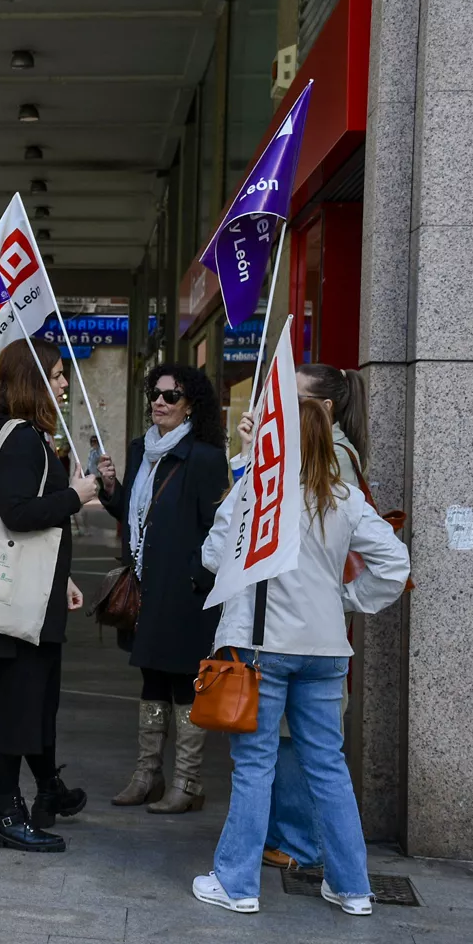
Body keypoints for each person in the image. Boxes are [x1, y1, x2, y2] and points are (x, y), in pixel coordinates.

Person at [192, 399, 410, 916]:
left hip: (262, 649)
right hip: (326, 650)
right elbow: (395, 565)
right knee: (328, 768)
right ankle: (352, 887)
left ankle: (237, 884)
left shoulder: (256, 491)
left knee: (255, 766)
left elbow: (212, 555)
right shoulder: (345, 499)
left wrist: (246, 474)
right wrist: (347, 600)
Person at [0, 340, 96, 852]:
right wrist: (75, 497)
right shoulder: (19, 437)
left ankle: (38, 794)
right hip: (19, 603)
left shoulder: (23, 433)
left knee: (34, 704)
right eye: (57, 375)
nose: (63, 384)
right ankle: (3, 812)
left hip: (31, 595)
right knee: (17, 708)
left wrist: (61, 577)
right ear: (32, 381)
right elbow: (16, 513)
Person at [96, 364, 228, 814]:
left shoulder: (204, 457)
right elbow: (134, 514)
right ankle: (147, 775)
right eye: (155, 392)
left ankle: (188, 782)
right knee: (152, 679)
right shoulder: (142, 450)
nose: (159, 401)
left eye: (171, 396)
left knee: (186, 682)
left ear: (190, 405)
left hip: (186, 592)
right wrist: (111, 488)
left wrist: (196, 577)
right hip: (148, 586)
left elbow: (219, 529)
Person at [262, 363, 370, 871]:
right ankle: (329, 864)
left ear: (324, 409)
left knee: (300, 744)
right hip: (312, 625)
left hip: (303, 625)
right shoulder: (324, 451)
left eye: (295, 396)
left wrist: (344, 598)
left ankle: (298, 842)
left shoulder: (333, 458)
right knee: (310, 745)